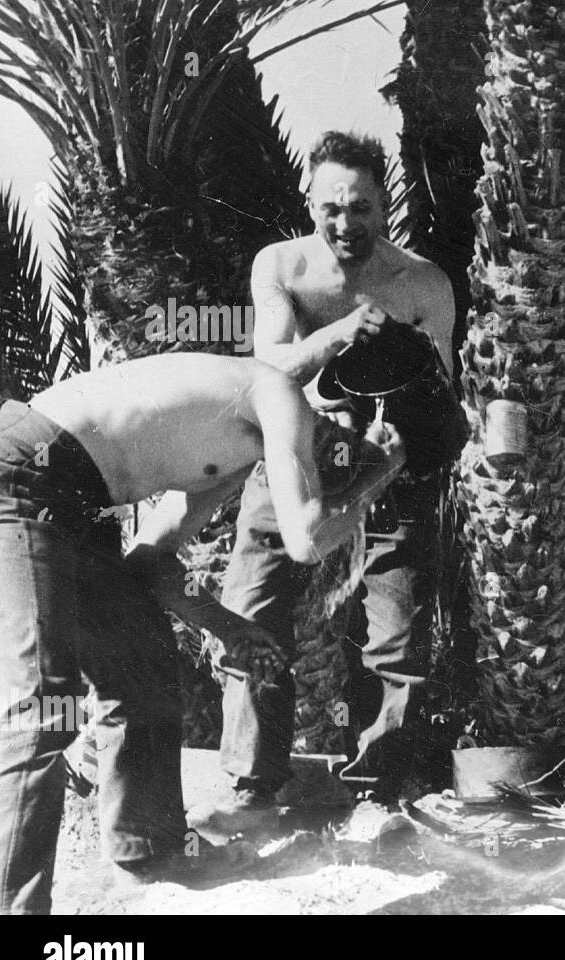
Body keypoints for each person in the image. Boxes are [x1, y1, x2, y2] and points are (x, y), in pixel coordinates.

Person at [0, 354, 405, 914]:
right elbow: (306, 540)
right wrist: (384, 469)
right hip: (18, 476)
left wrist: (230, 628)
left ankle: (150, 859)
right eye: (332, 435)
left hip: (77, 511)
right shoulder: (278, 390)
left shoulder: (239, 456)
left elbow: (148, 559)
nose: (331, 436)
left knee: (142, 670)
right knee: (43, 698)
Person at [191, 131, 458, 837]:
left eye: (361, 207)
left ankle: (379, 793)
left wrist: (402, 439)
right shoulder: (282, 265)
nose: (346, 224)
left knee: (395, 631)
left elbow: (446, 397)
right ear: (310, 204)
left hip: (385, 451)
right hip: (297, 446)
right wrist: (341, 334)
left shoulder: (424, 284)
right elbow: (270, 370)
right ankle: (253, 786)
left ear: (384, 202)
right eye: (330, 208)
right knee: (252, 602)